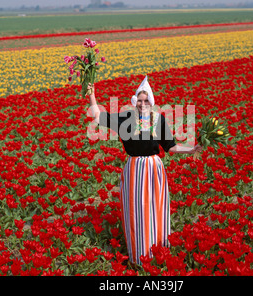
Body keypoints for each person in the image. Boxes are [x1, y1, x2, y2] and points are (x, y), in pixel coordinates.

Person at [86, 76, 202, 266]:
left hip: (153, 169)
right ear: (134, 102)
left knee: (155, 208)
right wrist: (92, 96)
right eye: (139, 100)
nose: (142, 104)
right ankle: (138, 256)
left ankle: (158, 251)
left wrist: (191, 149)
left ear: (151, 102)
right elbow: (98, 118)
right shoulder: (125, 118)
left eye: (146, 100)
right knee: (135, 210)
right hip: (134, 170)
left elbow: (171, 147)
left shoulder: (159, 121)